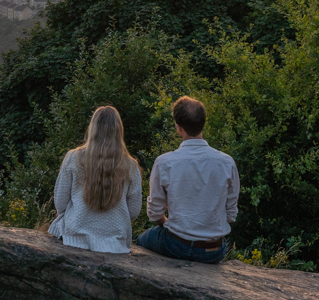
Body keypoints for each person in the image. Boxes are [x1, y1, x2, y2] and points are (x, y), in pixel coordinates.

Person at [136, 96, 239, 263]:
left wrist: (169, 222)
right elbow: (231, 214)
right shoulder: (227, 162)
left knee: (141, 240)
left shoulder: (165, 162)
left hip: (177, 244)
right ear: (203, 123)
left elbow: (155, 214)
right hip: (215, 249)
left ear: (179, 127)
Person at [48, 105, 144, 253]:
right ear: (119, 130)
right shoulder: (131, 166)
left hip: (75, 237)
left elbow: (60, 203)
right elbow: (133, 211)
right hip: (115, 242)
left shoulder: (73, 158)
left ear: (92, 128)